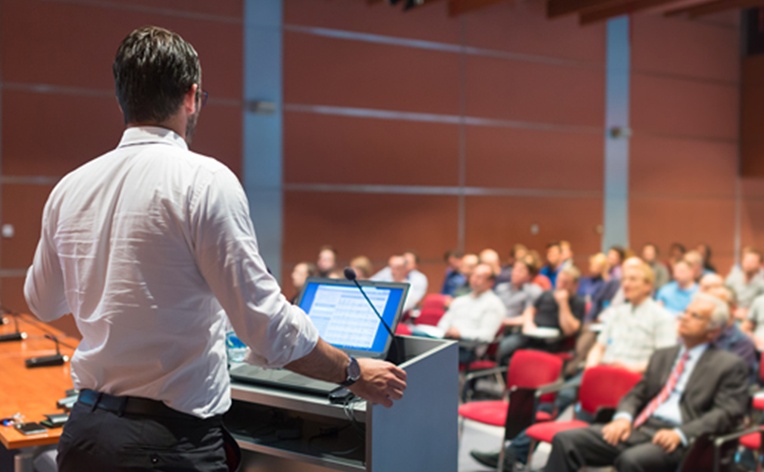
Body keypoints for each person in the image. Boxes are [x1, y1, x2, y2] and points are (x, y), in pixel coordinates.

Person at [23, 26, 406, 472]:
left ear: (122, 99)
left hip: (86, 435)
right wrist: (353, 373)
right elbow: (266, 326)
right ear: (191, 97)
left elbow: (42, 301)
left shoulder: (71, 187)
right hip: (166, 445)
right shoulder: (203, 180)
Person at [471, 261, 677, 471]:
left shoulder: (662, 318)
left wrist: (629, 368)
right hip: (600, 373)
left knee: (581, 412)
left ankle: (536, 456)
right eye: (624, 279)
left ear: (648, 285)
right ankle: (518, 453)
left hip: (634, 379)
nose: (626, 284)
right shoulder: (618, 312)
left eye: (633, 279)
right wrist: (591, 368)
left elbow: (663, 363)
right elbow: (599, 346)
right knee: (552, 402)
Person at [544, 293, 749, 472]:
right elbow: (637, 393)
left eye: (695, 316)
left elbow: (726, 413)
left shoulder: (729, 365)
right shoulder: (663, 355)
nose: (684, 318)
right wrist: (623, 418)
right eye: (685, 312)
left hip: (680, 439)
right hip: (640, 426)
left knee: (631, 461)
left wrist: (681, 434)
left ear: (713, 331)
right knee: (566, 440)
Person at [497, 266, 586, 365]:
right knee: (504, 346)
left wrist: (563, 304)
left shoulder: (578, 302)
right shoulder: (547, 294)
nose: (560, 285)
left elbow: (569, 330)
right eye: (559, 280)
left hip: (552, 341)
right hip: (531, 334)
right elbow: (530, 310)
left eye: (565, 282)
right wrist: (528, 323)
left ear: (575, 285)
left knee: (526, 358)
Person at [436, 263, 506, 364]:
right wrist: (448, 330)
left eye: (480, 277)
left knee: (432, 358)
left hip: (469, 349)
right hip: (447, 341)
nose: (475, 279)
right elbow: (442, 323)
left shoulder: (494, 305)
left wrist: (460, 333)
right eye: (473, 275)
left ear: (490, 282)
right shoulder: (460, 300)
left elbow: (486, 336)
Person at [494, 259, 543, 327]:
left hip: (516, 329)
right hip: (495, 325)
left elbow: (529, 318)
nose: (515, 273)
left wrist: (505, 321)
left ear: (529, 275)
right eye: (514, 269)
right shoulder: (501, 288)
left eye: (520, 271)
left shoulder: (532, 291)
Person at [726, 247, 764, 321]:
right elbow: (724, 298)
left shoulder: (761, 285)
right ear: (742, 262)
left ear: (759, 265)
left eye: (752, 262)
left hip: (752, 319)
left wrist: (749, 313)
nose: (748, 264)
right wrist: (734, 311)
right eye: (746, 261)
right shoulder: (731, 279)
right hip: (732, 315)